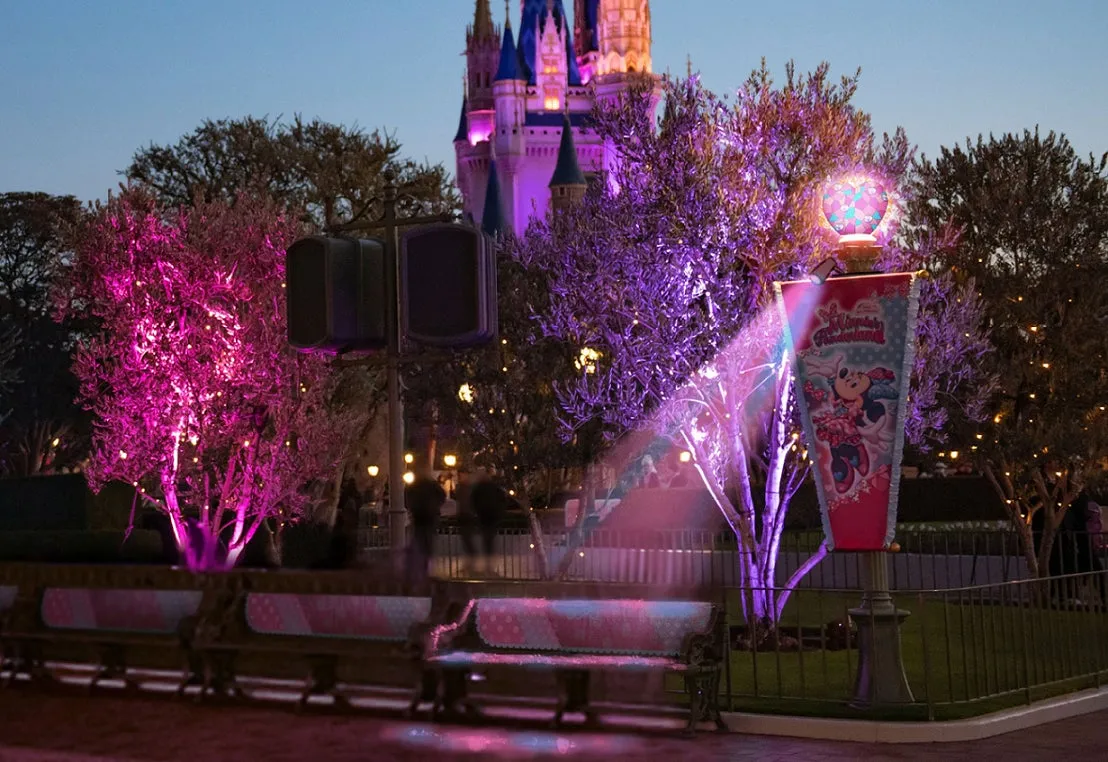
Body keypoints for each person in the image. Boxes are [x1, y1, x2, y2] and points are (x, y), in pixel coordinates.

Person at [404, 470, 446, 583]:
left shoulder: (415, 486)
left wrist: (412, 508)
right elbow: (442, 495)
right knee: (425, 543)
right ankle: (423, 569)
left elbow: (407, 498)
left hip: (422, 518)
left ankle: (420, 569)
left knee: (421, 542)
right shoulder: (431, 485)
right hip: (427, 518)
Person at [470, 471, 509, 575]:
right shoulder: (494, 488)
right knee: (489, 540)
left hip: (484, 517)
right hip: (493, 518)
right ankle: (490, 565)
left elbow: (473, 501)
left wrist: (477, 512)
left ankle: (489, 565)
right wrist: (500, 512)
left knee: (487, 541)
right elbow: (503, 499)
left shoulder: (478, 489)